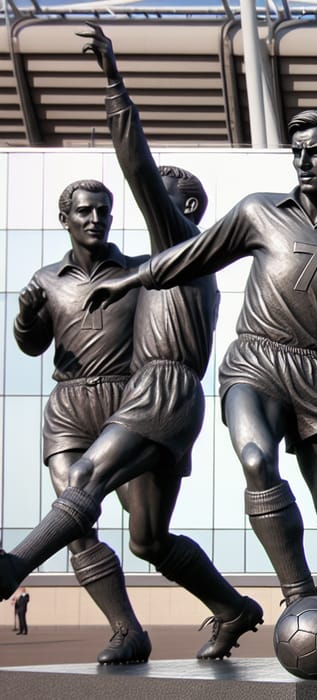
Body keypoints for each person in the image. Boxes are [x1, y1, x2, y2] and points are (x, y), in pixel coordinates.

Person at [83, 109, 317, 663]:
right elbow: (190, 256)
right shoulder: (259, 211)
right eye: (296, 150)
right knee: (255, 460)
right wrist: (133, 277)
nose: (303, 160)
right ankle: (300, 597)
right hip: (254, 361)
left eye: (316, 150)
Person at [0, 23, 263, 663]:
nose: (125, 213)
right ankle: (228, 608)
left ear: (187, 207)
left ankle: (10, 569)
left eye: (152, 203)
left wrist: (116, 85)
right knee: (143, 537)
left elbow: (138, 165)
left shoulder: (179, 245)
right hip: (110, 397)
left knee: (89, 489)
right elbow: (36, 342)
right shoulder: (158, 266)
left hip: (156, 391)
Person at [13, 176, 148, 661]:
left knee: (146, 529)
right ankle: (126, 630)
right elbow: (31, 346)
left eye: (104, 211)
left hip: (125, 401)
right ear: (65, 219)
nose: (96, 219)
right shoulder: (47, 279)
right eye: (86, 211)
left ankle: (228, 604)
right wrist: (27, 317)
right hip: (69, 406)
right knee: (76, 521)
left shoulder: (135, 272)